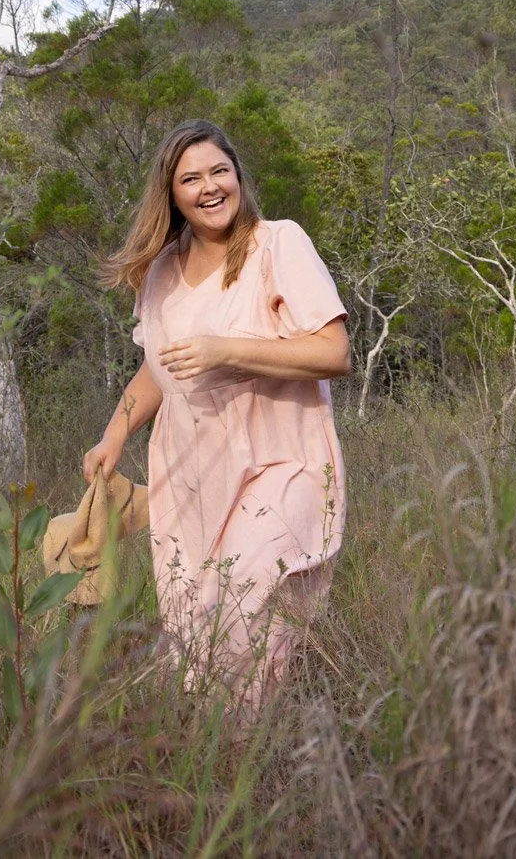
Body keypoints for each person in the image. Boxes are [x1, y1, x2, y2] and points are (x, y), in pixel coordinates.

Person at [83, 119, 350, 706]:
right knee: (196, 635)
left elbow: (335, 352)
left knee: (237, 605)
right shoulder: (160, 271)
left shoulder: (278, 243)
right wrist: (113, 435)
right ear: (171, 193)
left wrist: (226, 349)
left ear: (237, 176)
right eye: (191, 178)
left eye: (219, 172)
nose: (209, 187)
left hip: (284, 462)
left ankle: (255, 752)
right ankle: (231, 765)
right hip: (192, 474)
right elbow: (158, 367)